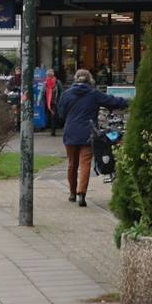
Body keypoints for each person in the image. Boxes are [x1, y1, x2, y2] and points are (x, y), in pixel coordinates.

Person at [55, 68, 129, 207]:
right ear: (90, 80)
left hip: (70, 132)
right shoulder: (93, 94)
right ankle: (81, 194)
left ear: (76, 79)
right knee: (85, 163)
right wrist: (127, 101)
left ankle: (72, 193)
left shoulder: (66, 94)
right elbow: (112, 101)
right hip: (88, 133)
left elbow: (60, 113)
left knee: (72, 163)